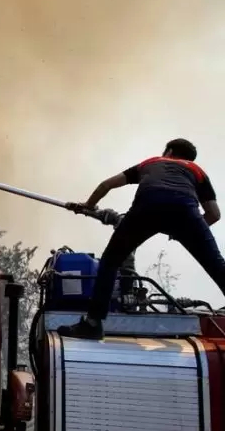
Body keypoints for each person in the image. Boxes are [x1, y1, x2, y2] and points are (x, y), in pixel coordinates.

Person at [59, 138, 225, 340]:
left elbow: (107, 184)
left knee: (111, 262)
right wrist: (185, 230)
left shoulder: (151, 162)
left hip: (146, 209)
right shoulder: (197, 171)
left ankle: (93, 324)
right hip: (185, 213)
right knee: (217, 265)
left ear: (169, 152)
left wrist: (88, 205)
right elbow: (214, 214)